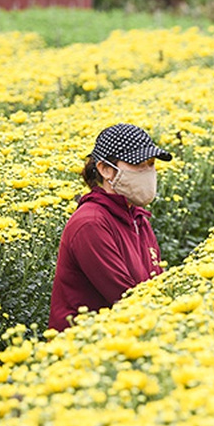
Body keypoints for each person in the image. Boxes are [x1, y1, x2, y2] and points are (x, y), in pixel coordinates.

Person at [48, 123, 172, 332]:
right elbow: (127, 298)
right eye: (138, 164)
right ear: (105, 170)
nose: (148, 172)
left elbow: (155, 287)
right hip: (84, 350)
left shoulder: (138, 219)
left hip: (125, 338)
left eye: (151, 164)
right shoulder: (91, 224)